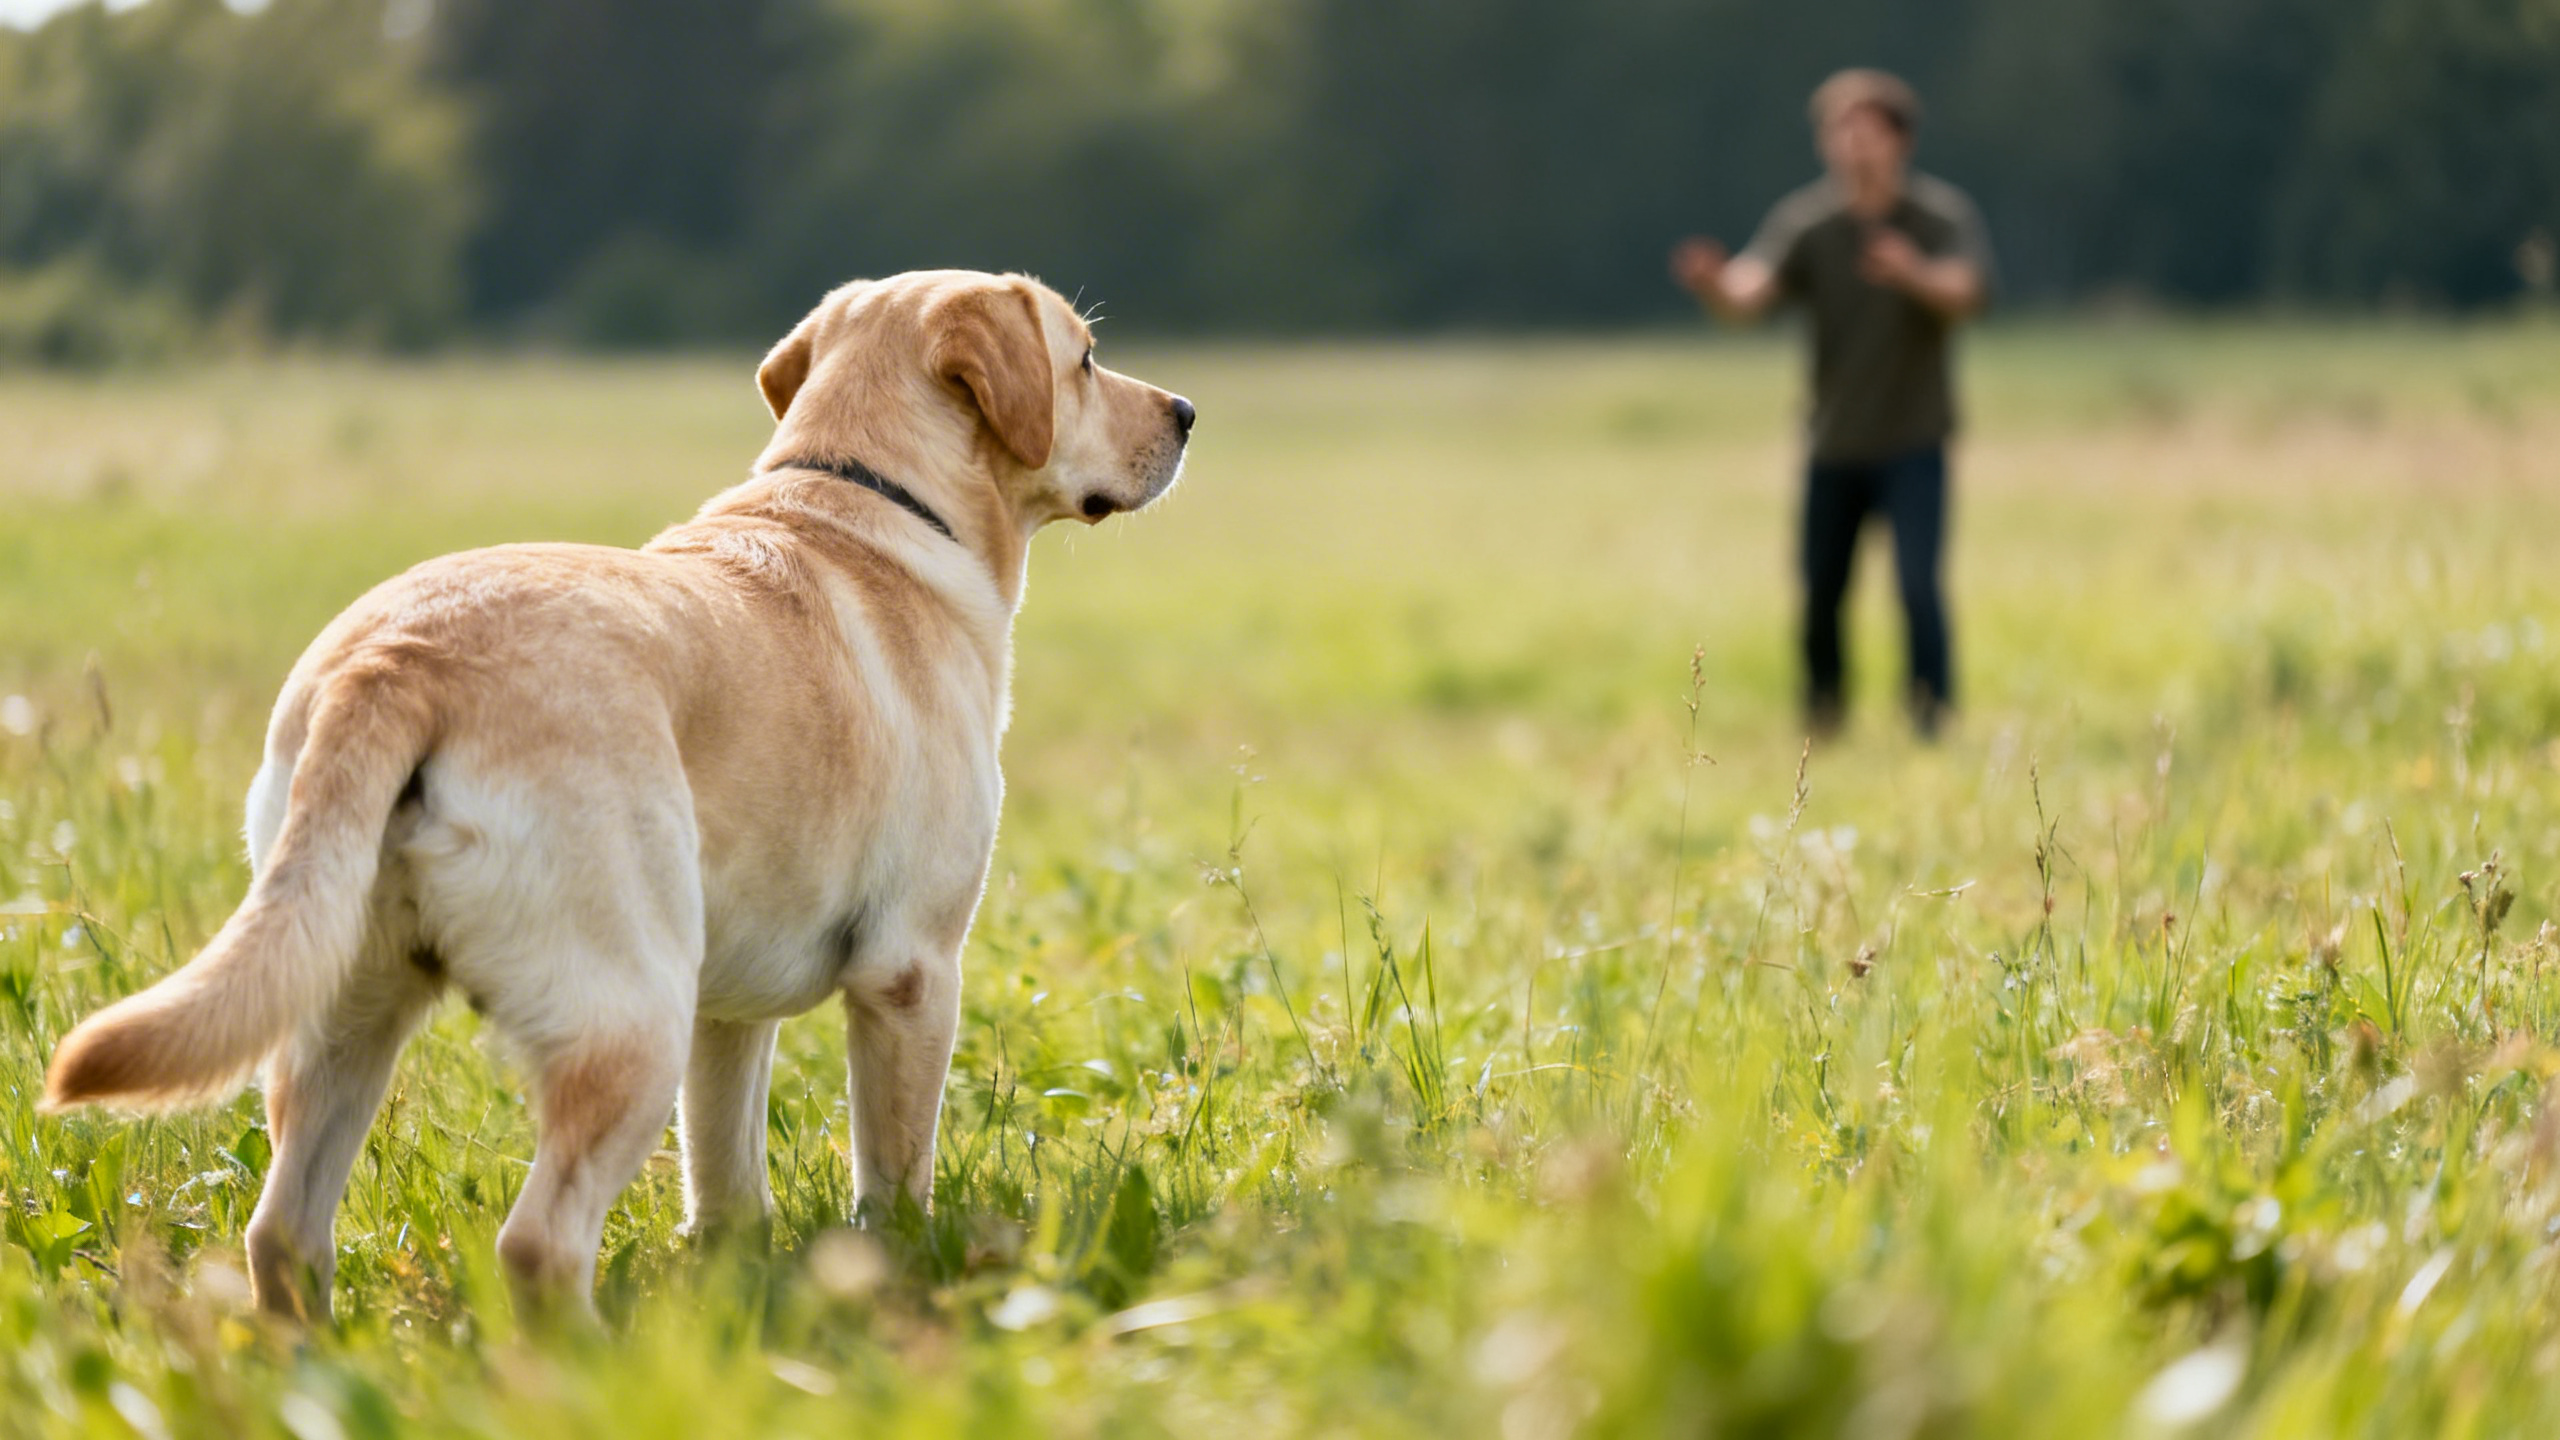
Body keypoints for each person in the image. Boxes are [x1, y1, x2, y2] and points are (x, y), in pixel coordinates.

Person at [1671, 68, 1994, 741]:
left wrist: (1912, 273)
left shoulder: (1938, 217)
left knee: (1916, 589)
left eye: (1866, 132)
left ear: (1899, 141)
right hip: (1834, 441)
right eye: (1838, 132)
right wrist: (1713, 284)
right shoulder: (1808, 224)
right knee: (1821, 595)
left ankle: (1932, 720)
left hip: (1914, 439)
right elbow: (1749, 292)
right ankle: (1824, 723)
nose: (1852, 146)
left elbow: (1968, 291)